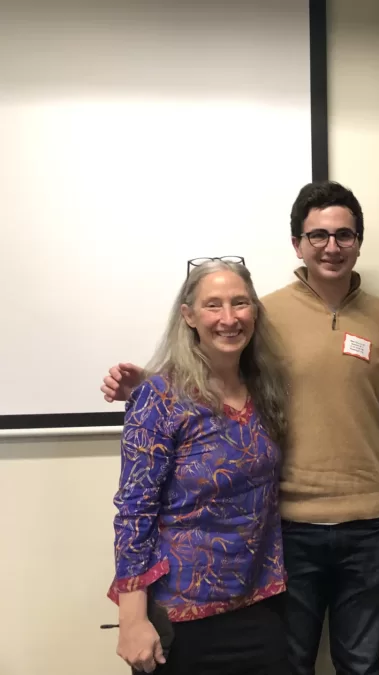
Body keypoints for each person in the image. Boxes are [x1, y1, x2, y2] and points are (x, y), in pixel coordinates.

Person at [102, 182, 379, 675]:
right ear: (297, 243)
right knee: (291, 663)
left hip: (366, 523)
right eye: (317, 235)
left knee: (360, 662)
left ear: (360, 240)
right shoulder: (264, 313)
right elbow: (211, 367)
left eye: (343, 235)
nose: (331, 246)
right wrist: (150, 386)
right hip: (291, 525)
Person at [109, 258, 291, 674]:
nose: (228, 318)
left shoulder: (266, 390)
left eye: (240, 303)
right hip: (182, 613)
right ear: (188, 315)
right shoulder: (158, 397)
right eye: (213, 305)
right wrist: (132, 619)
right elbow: (134, 514)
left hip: (260, 602)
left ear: (255, 312)